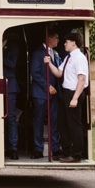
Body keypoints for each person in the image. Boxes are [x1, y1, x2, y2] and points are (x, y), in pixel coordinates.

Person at [45, 32, 89, 163]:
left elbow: (81, 79)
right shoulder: (68, 57)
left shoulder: (79, 58)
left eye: (67, 41)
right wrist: (49, 64)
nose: (64, 44)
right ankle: (66, 152)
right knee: (63, 124)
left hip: (73, 93)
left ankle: (76, 155)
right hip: (65, 93)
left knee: (74, 125)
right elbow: (59, 73)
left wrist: (75, 98)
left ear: (73, 43)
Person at [29, 31, 61, 159]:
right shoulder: (38, 53)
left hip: (54, 93)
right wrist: (47, 86)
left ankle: (55, 148)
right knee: (39, 121)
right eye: (56, 37)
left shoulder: (55, 54)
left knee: (53, 121)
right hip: (41, 93)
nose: (58, 40)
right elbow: (35, 73)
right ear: (49, 38)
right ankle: (38, 148)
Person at [3, 37, 21, 160]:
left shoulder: (13, 44)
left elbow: (12, 64)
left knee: (11, 118)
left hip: (10, 86)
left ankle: (13, 148)